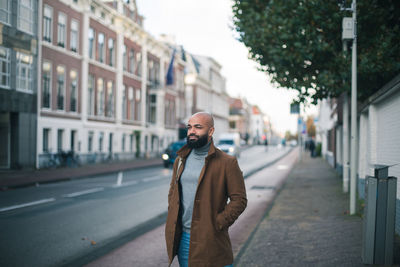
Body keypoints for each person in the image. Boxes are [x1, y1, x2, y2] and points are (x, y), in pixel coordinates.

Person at [165, 112, 247, 267]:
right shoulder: (180, 160)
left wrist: (217, 224)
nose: (192, 131)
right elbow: (173, 192)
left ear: (210, 131)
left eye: (198, 127)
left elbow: (239, 200)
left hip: (212, 239)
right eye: (189, 127)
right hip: (184, 239)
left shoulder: (227, 163)